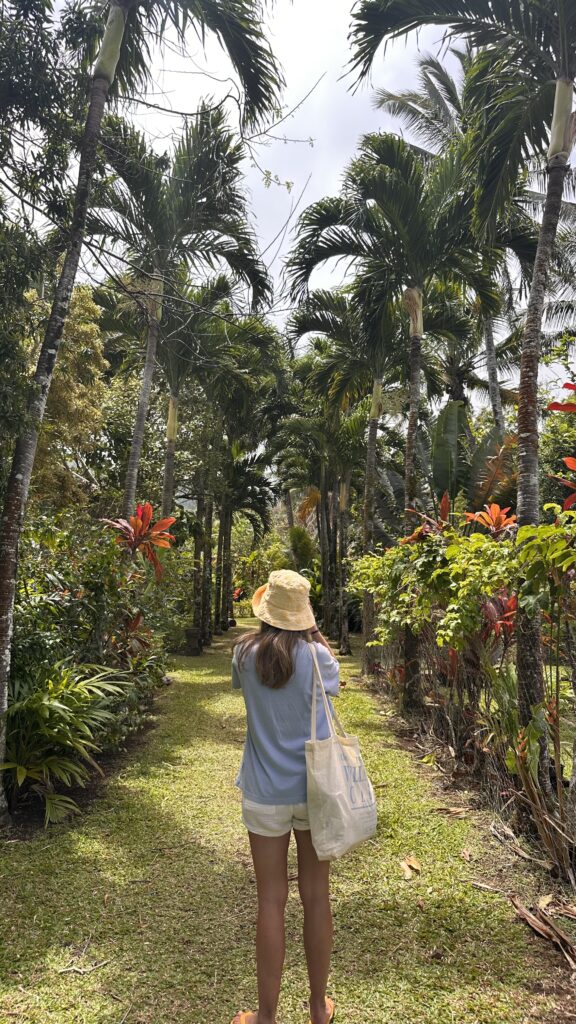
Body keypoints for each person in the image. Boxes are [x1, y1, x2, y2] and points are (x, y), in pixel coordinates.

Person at [231, 569, 339, 1024]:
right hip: (315, 792)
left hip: (263, 793)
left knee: (270, 900)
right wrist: (313, 633)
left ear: (267, 610)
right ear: (304, 615)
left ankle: (267, 1017)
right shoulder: (320, 658)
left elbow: (248, 689)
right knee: (316, 897)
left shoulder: (244, 654)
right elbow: (333, 686)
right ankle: (318, 1009)